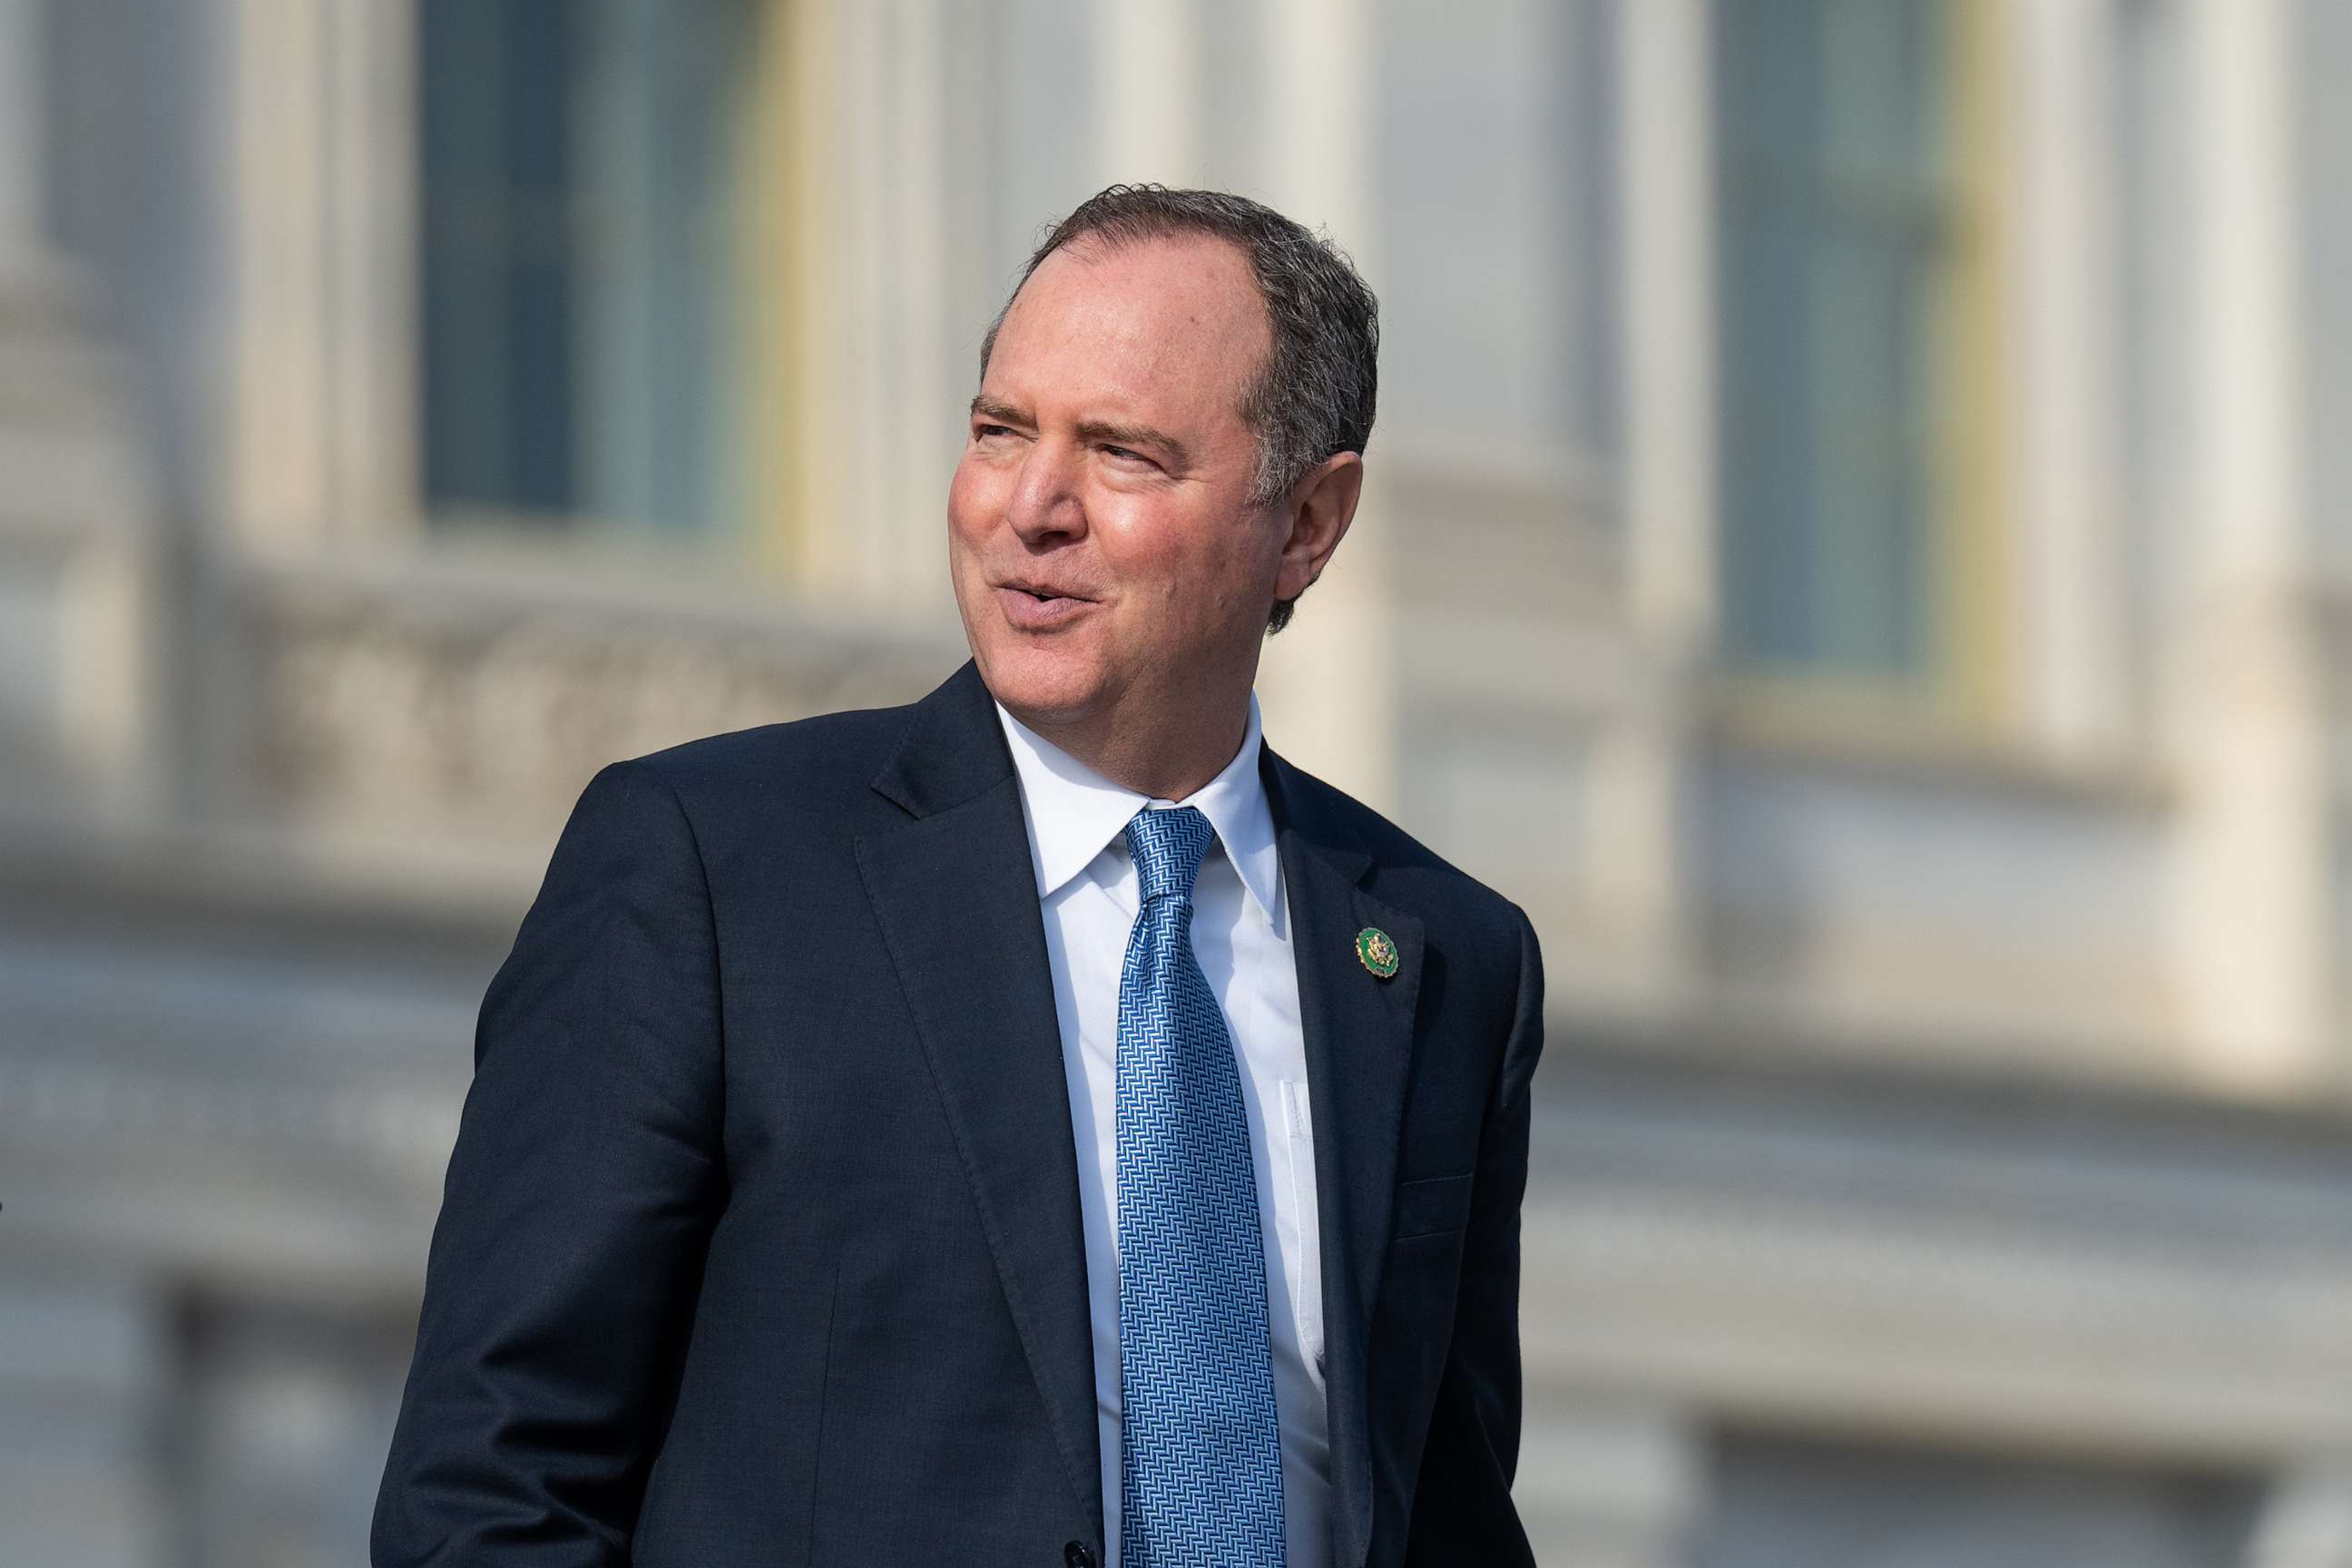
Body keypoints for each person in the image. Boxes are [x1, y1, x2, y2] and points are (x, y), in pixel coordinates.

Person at [370, 184, 1544, 1568]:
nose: (1028, 507)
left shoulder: (1441, 957)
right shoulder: (709, 869)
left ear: (1307, 522)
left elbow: (1447, 1515)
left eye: (1120, 453)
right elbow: (493, 1495)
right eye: (999, 431)